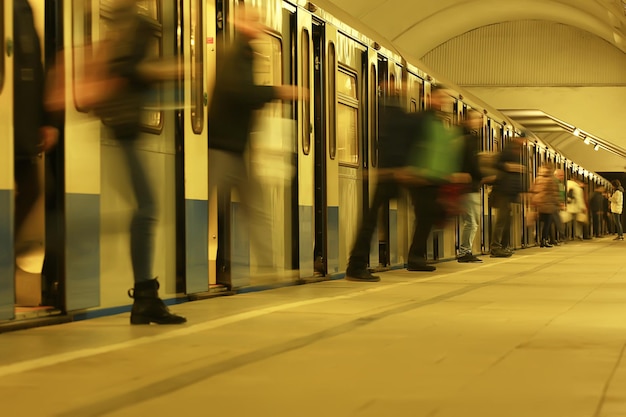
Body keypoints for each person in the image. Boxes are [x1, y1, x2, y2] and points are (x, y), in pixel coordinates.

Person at [96, 0, 186, 324]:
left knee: (145, 209)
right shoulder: (129, 18)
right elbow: (125, 68)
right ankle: (144, 299)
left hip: (127, 124)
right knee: (146, 209)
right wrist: (164, 70)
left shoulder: (131, 16)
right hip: (125, 126)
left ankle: (146, 297)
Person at [208, 6, 300, 280]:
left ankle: (271, 267)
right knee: (203, 203)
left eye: (258, 20)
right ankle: (183, 260)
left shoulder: (244, 52)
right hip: (221, 145)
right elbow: (237, 90)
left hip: (236, 147)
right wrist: (279, 91)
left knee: (256, 208)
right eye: (251, 20)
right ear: (237, 21)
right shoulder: (233, 51)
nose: (257, 25)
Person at [345, 89, 418, 281]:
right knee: (372, 219)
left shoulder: (383, 113)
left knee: (373, 217)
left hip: (388, 172)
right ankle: (357, 264)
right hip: (391, 172)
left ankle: (361, 262)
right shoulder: (398, 116)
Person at [13, 0, 59, 244]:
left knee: (36, 189)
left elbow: (35, 68)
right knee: (33, 189)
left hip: (21, 125)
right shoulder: (16, 9)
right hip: (13, 124)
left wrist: (45, 120)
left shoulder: (22, 8)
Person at [489, 135, 526, 258]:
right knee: (501, 220)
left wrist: (520, 191)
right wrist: (508, 166)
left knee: (507, 221)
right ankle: (495, 247)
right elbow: (496, 163)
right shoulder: (507, 150)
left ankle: (504, 246)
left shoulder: (518, 153)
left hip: (510, 192)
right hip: (503, 191)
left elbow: (517, 177)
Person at [457, 109, 484, 263]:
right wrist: (481, 176)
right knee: (471, 221)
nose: (479, 122)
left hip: (468, 185)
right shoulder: (469, 139)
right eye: (476, 118)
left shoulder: (465, 137)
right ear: (467, 119)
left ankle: (465, 250)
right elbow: (472, 163)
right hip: (468, 186)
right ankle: (464, 252)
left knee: (471, 221)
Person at [530, 165, 559, 247]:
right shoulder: (551, 180)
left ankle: (538, 239)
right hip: (548, 205)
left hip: (539, 205)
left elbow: (533, 190)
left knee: (541, 223)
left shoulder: (537, 179)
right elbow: (554, 193)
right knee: (547, 224)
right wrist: (557, 203)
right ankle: (544, 240)